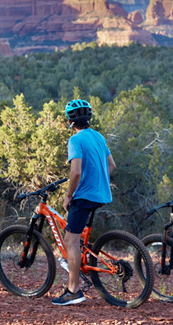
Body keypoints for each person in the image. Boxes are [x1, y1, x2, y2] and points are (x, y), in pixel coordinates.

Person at [52, 99, 116, 306]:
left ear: (70, 121)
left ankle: (74, 290)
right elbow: (111, 165)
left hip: (84, 196)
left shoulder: (75, 140)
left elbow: (76, 171)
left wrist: (68, 195)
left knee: (70, 241)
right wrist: (98, 180)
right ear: (89, 118)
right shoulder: (98, 136)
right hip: (101, 194)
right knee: (79, 239)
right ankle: (81, 270)